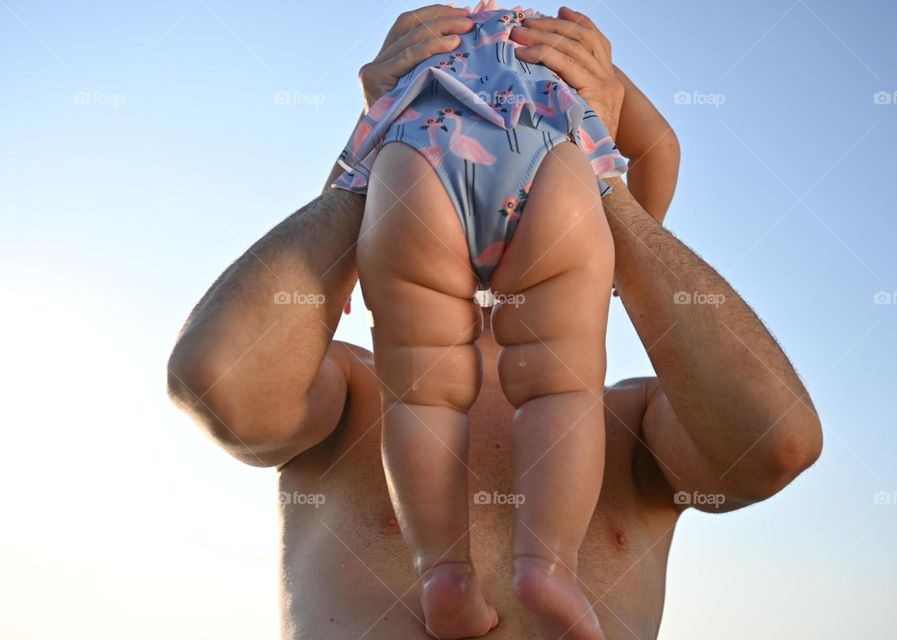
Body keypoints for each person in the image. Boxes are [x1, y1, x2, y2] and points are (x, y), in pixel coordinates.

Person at [166, 5, 823, 639]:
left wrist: (395, 141)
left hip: (433, 163)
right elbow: (219, 381)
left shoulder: (636, 428)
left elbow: (774, 442)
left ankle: (442, 572)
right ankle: (545, 569)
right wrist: (587, 156)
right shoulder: (347, 393)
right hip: (527, 158)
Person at [331, 1, 628, 637]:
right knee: (562, 387)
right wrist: (612, 263)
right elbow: (660, 147)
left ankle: (445, 577)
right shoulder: (561, 38)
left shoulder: (423, 30)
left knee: (418, 398)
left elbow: (354, 158)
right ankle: (546, 568)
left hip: (417, 156)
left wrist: (338, 274)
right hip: (549, 151)